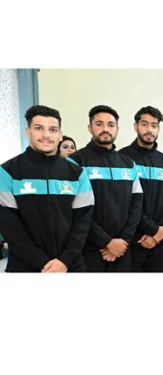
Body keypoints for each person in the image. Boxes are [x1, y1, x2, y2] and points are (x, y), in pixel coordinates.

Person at [0, 105, 94, 272]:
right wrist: (43, 263)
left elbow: (83, 221)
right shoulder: (7, 172)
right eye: (38, 128)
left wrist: (65, 259)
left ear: (60, 135)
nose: (46, 135)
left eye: (53, 129)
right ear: (28, 132)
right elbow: (9, 225)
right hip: (26, 266)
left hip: (71, 265)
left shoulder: (77, 173)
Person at [69, 105, 143, 272]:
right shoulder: (75, 162)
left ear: (117, 129)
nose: (105, 129)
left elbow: (136, 205)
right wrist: (106, 242)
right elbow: (76, 211)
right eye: (99, 124)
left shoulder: (128, 164)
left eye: (110, 125)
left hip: (123, 248)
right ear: (90, 128)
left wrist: (124, 240)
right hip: (89, 249)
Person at [120, 106, 163, 272]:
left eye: (154, 125)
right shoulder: (123, 159)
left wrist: (158, 232)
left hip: (159, 241)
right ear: (135, 126)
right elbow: (126, 202)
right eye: (144, 124)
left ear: (158, 129)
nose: (149, 129)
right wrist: (152, 230)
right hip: (132, 240)